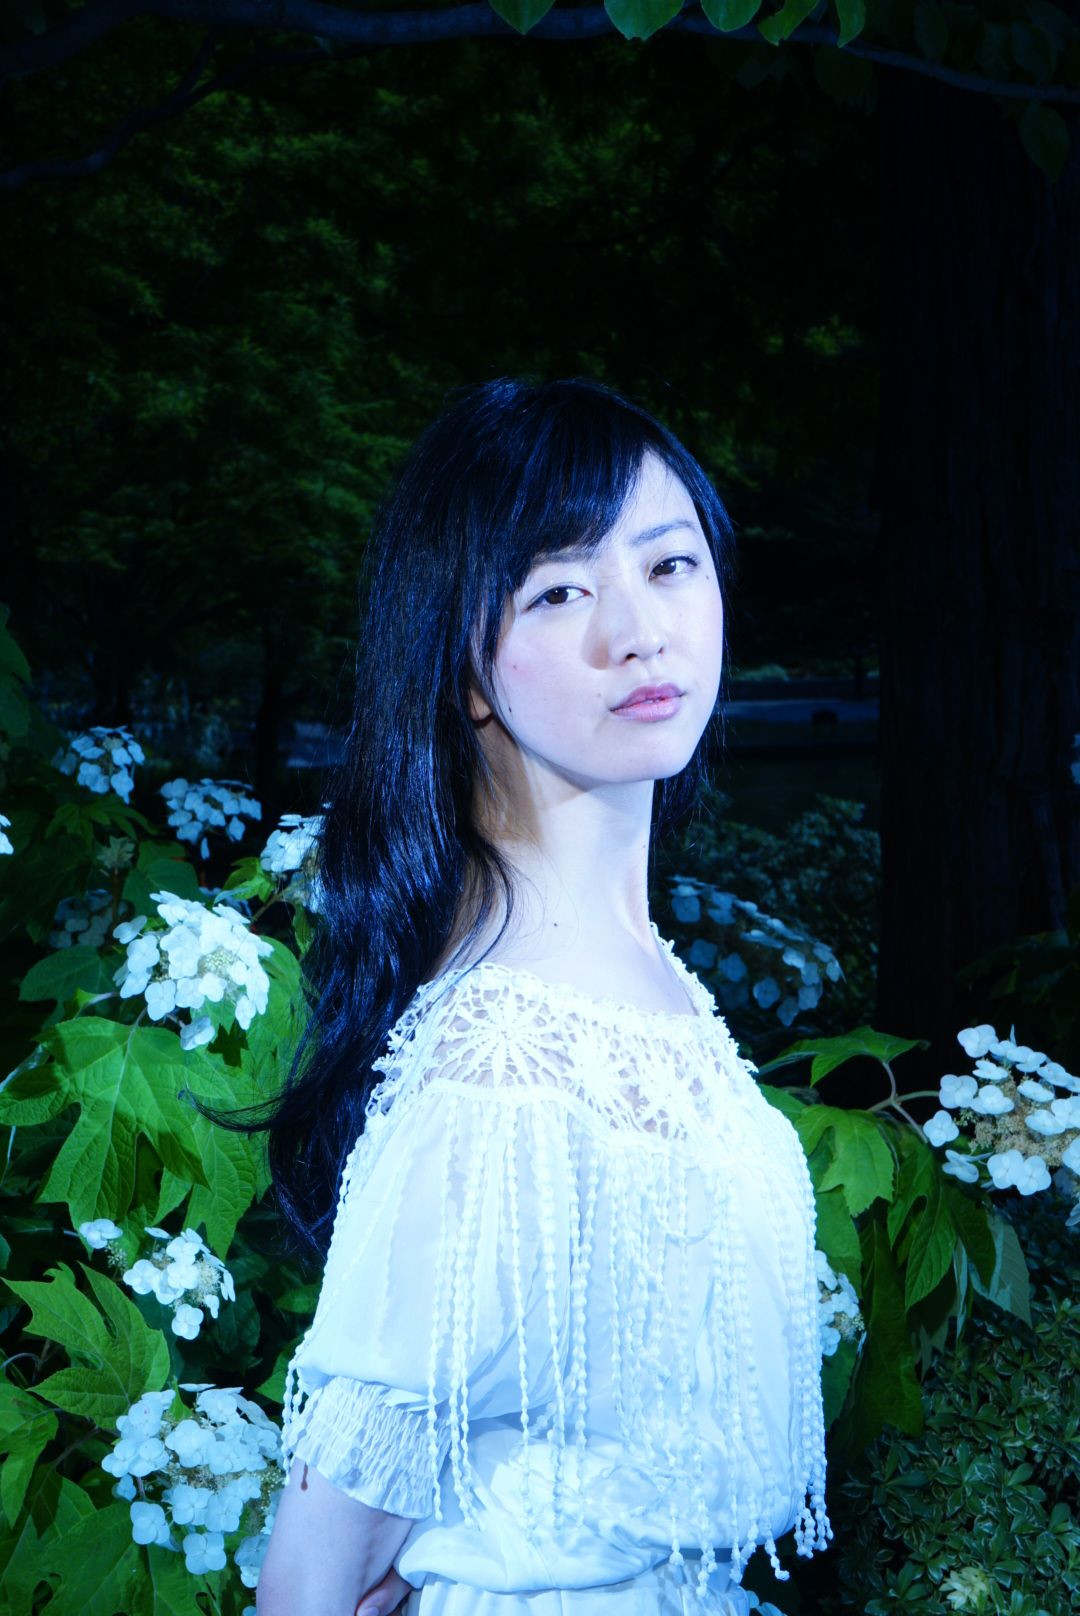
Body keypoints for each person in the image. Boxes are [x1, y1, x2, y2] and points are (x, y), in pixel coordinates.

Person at [255, 377, 832, 1616]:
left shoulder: (638, 980)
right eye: (559, 591)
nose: (639, 630)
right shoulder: (503, 1050)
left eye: (669, 565)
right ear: (466, 667)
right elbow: (318, 1558)